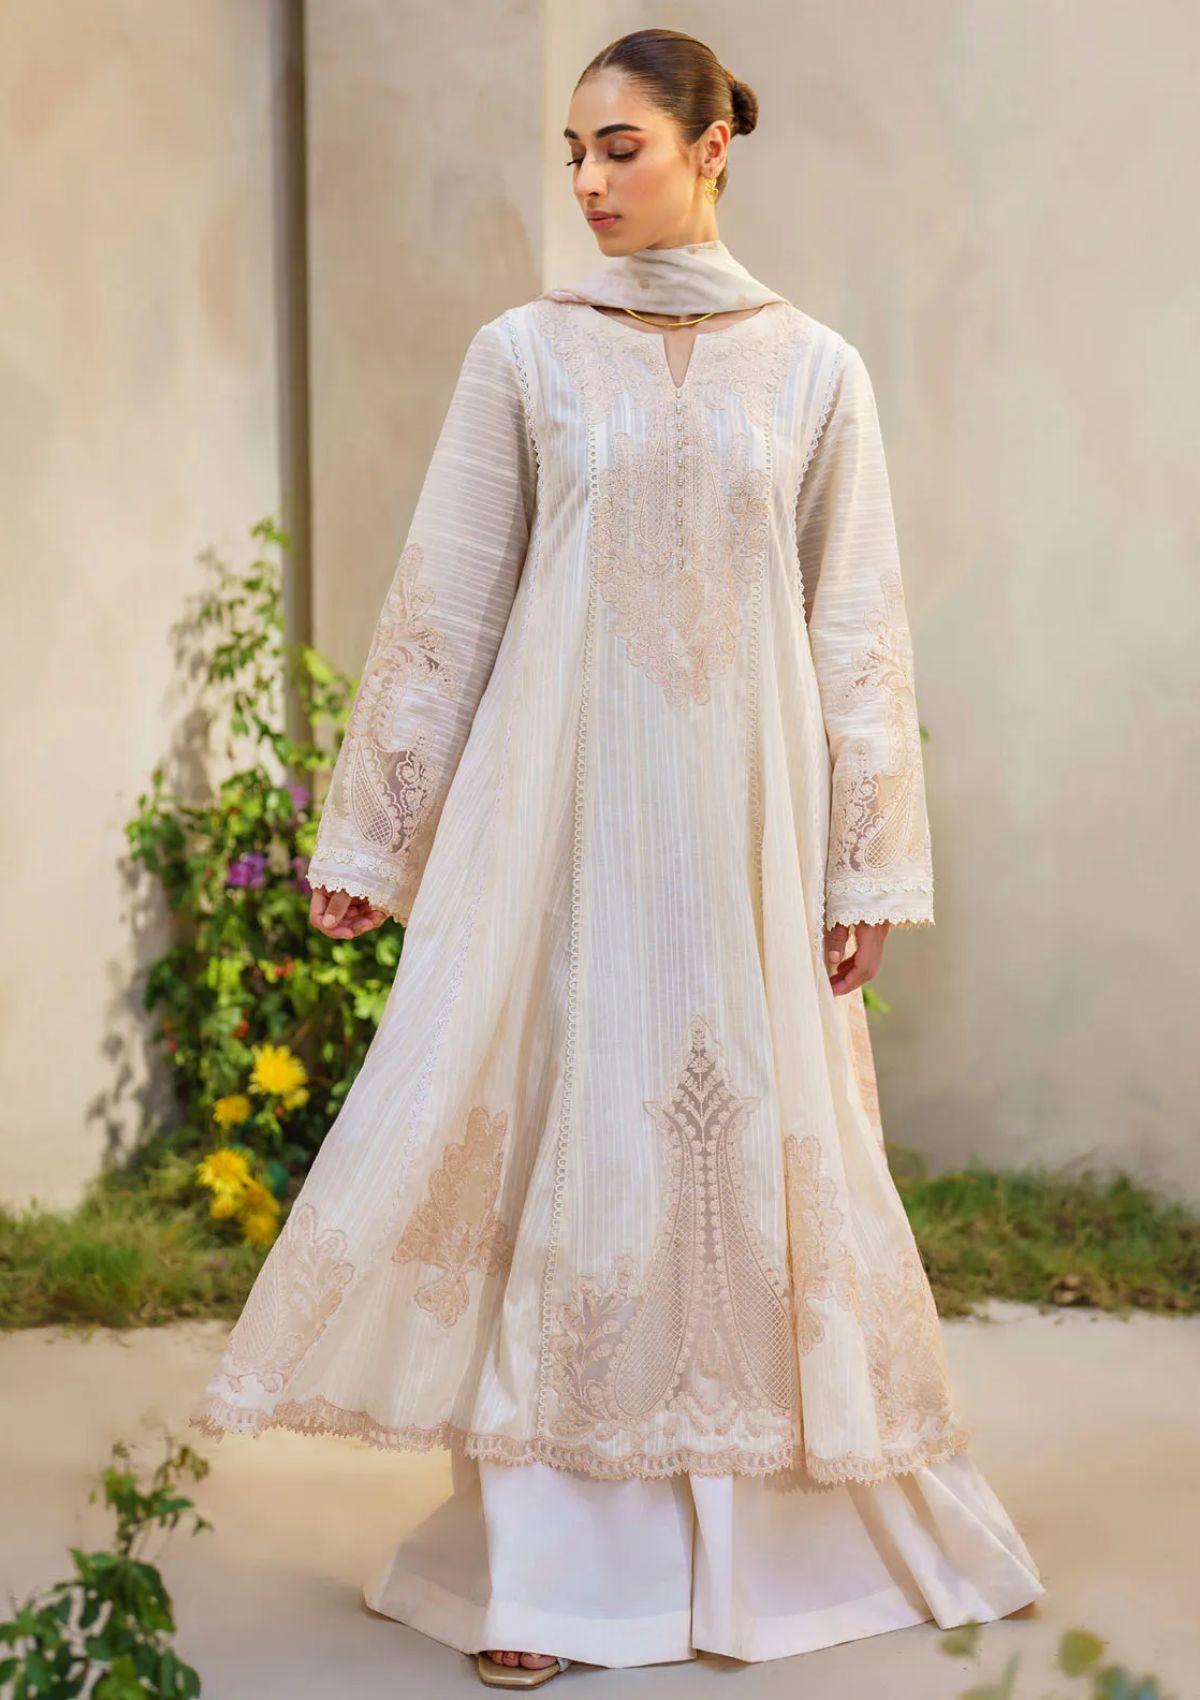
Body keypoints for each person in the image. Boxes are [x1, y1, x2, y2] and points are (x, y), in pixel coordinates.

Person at [190, 26, 1045, 1689]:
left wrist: (865, 865)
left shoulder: (814, 372)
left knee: (745, 1153)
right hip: (562, 827)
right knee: (577, 1149)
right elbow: (446, 598)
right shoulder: (525, 355)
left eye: (623, 147)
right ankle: (557, 1584)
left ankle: (803, 1543)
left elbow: (859, 631)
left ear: (713, 145)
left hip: (744, 832)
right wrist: (378, 832)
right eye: (573, 151)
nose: (587, 180)